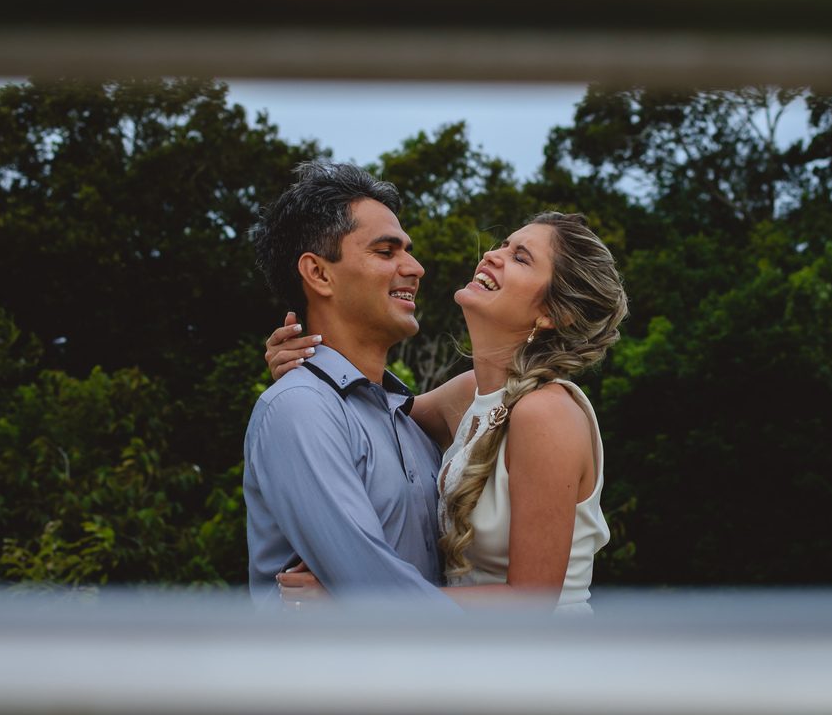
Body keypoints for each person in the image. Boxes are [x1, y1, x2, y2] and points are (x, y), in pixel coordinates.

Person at [269, 211, 628, 613]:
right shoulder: (468, 392)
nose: (493, 255)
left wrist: (358, 600)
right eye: (503, 244)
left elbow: (531, 605)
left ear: (553, 315)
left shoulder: (547, 413)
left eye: (520, 257)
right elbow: (368, 413)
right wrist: (308, 368)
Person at [244, 159, 458, 610]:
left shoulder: (409, 421)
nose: (415, 267)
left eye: (407, 250)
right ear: (319, 273)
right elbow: (371, 584)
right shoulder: (299, 408)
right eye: (386, 251)